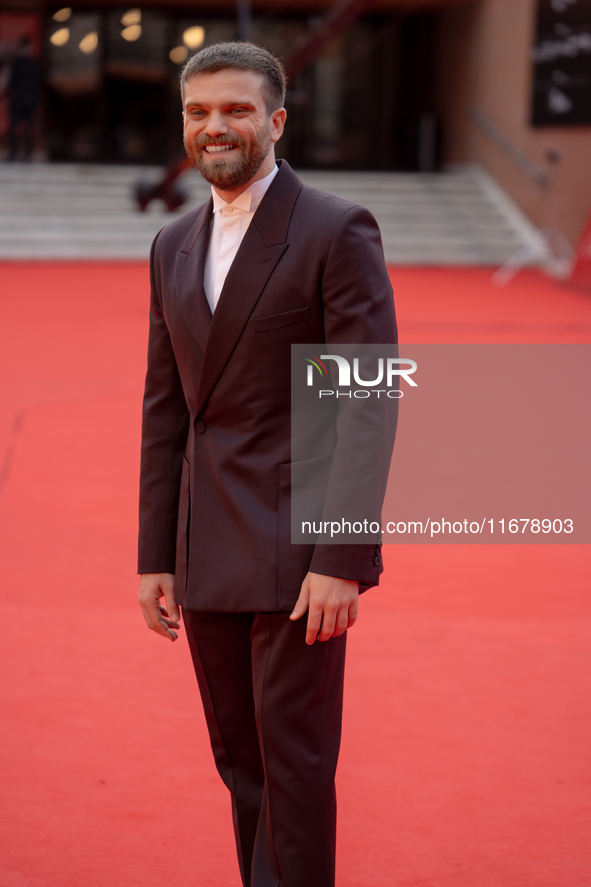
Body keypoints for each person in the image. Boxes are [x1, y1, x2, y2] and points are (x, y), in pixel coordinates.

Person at [138, 41, 397, 887]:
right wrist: (154, 553)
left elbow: (366, 399)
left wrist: (340, 559)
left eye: (238, 110)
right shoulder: (170, 241)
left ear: (276, 121)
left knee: (291, 767)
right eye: (199, 111)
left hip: (296, 551)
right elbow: (167, 406)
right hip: (205, 545)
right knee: (239, 762)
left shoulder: (333, 228)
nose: (217, 126)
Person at [7, 36, 42, 161]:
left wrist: (9, 95)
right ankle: (28, 153)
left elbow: (11, 83)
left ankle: (14, 153)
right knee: (29, 127)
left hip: (18, 100)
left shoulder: (17, 63)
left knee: (15, 127)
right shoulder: (35, 63)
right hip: (31, 100)